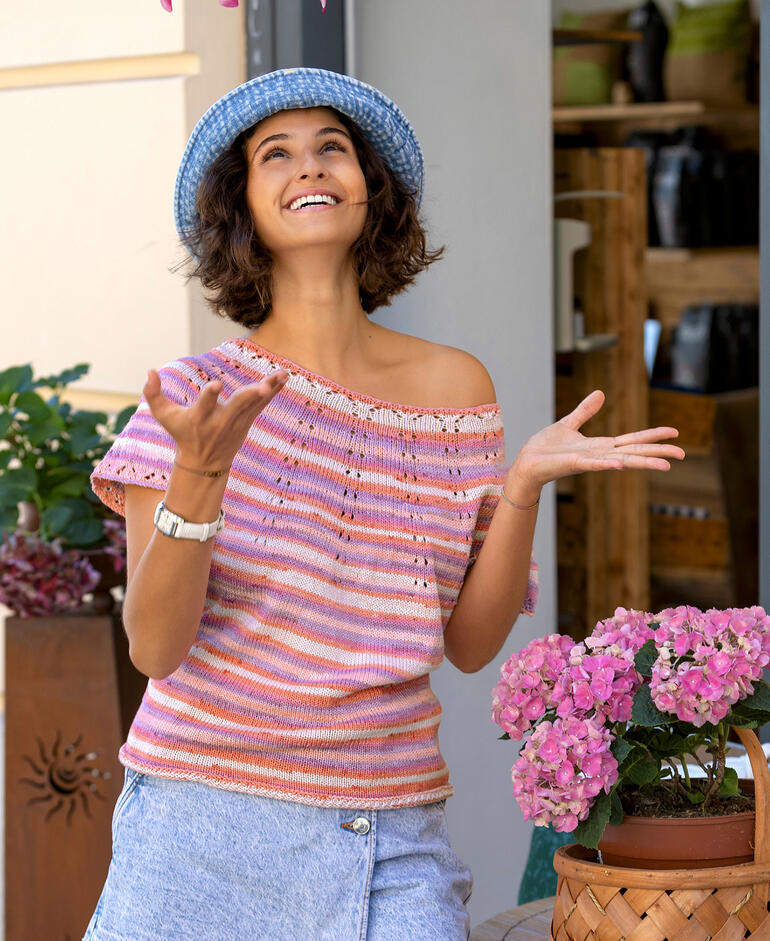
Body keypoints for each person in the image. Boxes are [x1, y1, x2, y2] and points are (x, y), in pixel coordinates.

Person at [82, 67, 684, 941]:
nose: (311, 167)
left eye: (334, 148)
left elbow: (469, 644)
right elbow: (154, 646)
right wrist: (199, 477)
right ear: (241, 205)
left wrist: (518, 492)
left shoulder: (455, 387)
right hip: (197, 830)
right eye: (274, 154)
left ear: (372, 189)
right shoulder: (192, 397)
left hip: (388, 835)